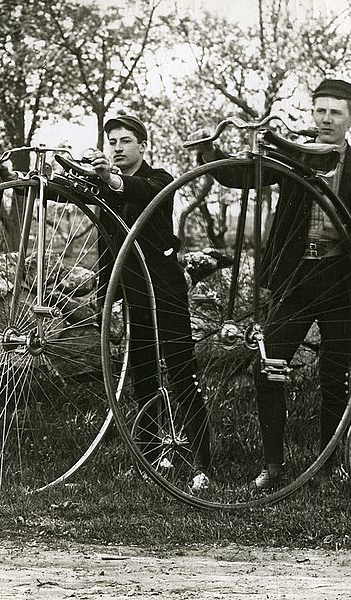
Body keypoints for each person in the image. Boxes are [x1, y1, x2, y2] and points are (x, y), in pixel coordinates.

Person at [192, 79, 351, 490]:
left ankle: (328, 464)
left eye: (335, 112)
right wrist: (211, 155)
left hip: (341, 279)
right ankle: (274, 466)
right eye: (319, 110)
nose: (325, 119)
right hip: (297, 279)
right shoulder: (295, 160)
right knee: (266, 364)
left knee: (334, 376)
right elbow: (244, 174)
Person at [84, 114, 213, 493]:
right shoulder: (104, 184)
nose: (118, 148)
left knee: (181, 370)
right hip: (132, 293)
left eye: (126, 141)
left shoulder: (160, 179)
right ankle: (152, 455)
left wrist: (110, 179)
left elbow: (138, 192)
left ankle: (202, 463)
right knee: (143, 375)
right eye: (113, 142)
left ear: (143, 145)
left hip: (165, 290)